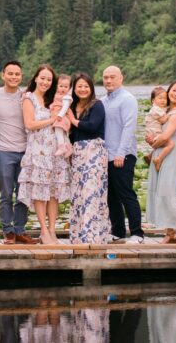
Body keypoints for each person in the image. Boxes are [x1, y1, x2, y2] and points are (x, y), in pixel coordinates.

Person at [18, 66, 71, 245]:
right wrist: (51, 120)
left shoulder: (52, 99)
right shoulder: (28, 98)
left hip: (54, 151)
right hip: (38, 151)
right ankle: (43, 230)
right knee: (40, 192)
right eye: (43, 78)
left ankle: (52, 229)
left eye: (49, 79)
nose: (45, 82)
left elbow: (64, 117)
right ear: (35, 78)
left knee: (54, 192)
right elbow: (29, 124)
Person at [0, 60, 38, 245]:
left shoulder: (26, 97)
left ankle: (20, 230)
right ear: (3, 75)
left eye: (17, 74)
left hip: (25, 151)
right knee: (6, 193)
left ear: (21, 76)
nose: (13, 77)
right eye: (10, 74)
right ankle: (8, 231)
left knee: (23, 193)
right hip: (4, 151)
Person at [144, 80, 176, 244]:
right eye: (173, 90)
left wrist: (153, 141)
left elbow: (165, 137)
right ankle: (170, 232)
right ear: (168, 91)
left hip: (171, 156)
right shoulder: (165, 111)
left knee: (169, 193)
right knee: (160, 192)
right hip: (161, 154)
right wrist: (152, 141)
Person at [65, 72, 109, 244]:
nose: (82, 89)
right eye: (79, 86)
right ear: (74, 89)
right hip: (77, 153)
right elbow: (71, 134)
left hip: (94, 151)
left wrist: (73, 120)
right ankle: (78, 236)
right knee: (78, 194)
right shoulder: (72, 105)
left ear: (91, 88)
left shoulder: (97, 105)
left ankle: (92, 236)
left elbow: (92, 127)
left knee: (92, 192)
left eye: (86, 86)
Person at [102, 65, 144, 243]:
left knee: (126, 193)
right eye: (105, 77)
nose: (108, 80)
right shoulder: (103, 100)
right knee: (111, 196)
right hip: (107, 155)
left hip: (123, 155)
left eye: (112, 77)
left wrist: (121, 153)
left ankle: (137, 233)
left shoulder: (127, 99)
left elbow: (129, 127)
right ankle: (118, 231)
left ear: (121, 78)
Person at [143, 86, 173, 171]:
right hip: (155, 134)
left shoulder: (159, 109)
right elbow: (163, 120)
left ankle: (150, 155)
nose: (163, 100)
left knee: (160, 145)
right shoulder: (155, 110)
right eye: (160, 98)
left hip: (153, 133)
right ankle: (159, 159)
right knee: (171, 144)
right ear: (153, 100)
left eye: (165, 98)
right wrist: (171, 114)